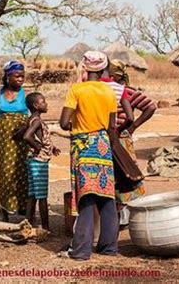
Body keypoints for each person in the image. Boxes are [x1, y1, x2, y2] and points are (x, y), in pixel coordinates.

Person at [59, 51, 119, 260]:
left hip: (84, 147)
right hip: (103, 144)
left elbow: (64, 123)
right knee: (106, 196)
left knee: (86, 197)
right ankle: (109, 246)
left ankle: (82, 250)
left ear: (85, 68)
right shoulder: (109, 92)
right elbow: (112, 126)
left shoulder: (76, 90)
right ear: (103, 69)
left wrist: (78, 120)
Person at [108, 60, 157, 225]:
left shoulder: (127, 92)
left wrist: (132, 127)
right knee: (115, 175)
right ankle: (119, 211)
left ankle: (127, 212)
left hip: (120, 138)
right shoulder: (105, 91)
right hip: (110, 138)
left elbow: (150, 106)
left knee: (126, 174)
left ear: (114, 75)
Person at [0, 60, 30, 222]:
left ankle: (24, 209)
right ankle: (6, 210)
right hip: (3, 142)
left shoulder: (26, 95)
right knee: (5, 173)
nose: (20, 79)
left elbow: (33, 119)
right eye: (17, 76)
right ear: (8, 76)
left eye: (22, 76)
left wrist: (24, 129)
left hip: (22, 141)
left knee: (23, 172)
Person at [20, 92, 60, 231]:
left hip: (32, 160)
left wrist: (52, 147)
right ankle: (46, 227)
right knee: (42, 196)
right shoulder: (37, 121)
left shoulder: (31, 119)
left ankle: (27, 224)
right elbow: (27, 136)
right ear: (36, 105)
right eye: (43, 101)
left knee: (32, 195)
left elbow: (38, 137)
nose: (46, 103)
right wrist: (38, 148)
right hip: (39, 161)